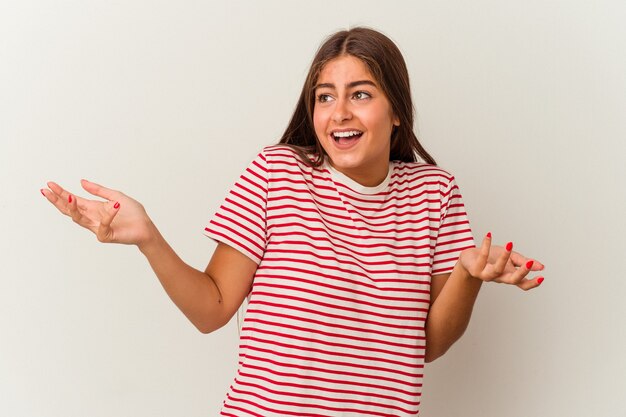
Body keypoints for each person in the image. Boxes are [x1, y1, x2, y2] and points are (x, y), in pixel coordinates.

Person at [41, 27, 544, 416]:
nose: (339, 112)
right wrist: (148, 238)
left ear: (397, 112)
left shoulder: (434, 193)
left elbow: (424, 346)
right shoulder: (277, 172)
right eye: (325, 96)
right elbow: (212, 310)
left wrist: (469, 276)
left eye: (361, 94)